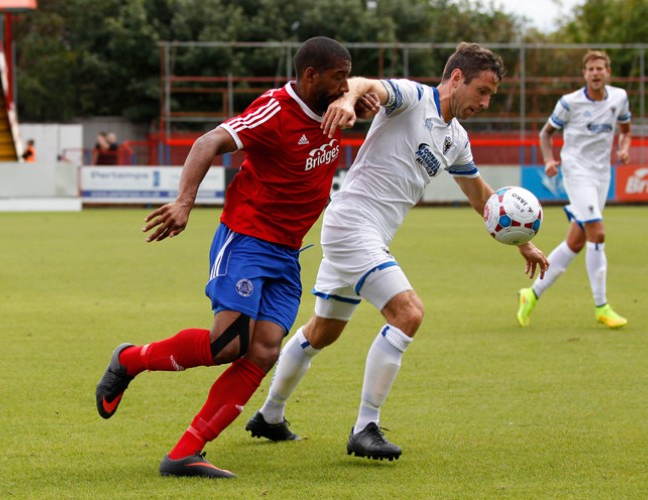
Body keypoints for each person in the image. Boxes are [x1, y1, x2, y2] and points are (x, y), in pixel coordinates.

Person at [245, 42, 549, 460]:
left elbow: (481, 196)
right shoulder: (414, 97)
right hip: (353, 224)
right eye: (483, 90)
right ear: (457, 78)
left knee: (322, 332)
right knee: (409, 313)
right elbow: (368, 85)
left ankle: (269, 415)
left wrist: (524, 242)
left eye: (491, 96)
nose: (485, 102)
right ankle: (365, 426)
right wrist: (349, 99)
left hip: (367, 234)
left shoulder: (457, 138)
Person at [95, 36, 377, 478]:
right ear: (310, 76)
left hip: (287, 251)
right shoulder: (274, 111)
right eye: (338, 77)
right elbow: (207, 142)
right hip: (247, 238)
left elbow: (369, 89)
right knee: (226, 344)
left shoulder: (334, 105)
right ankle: (130, 359)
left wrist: (355, 95)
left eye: (348, 76)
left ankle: (185, 453)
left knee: (263, 350)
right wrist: (185, 203)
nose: (345, 85)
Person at [517, 50, 631, 329]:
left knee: (576, 242)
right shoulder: (569, 102)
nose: (595, 72)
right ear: (584, 74)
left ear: (608, 72)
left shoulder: (619, 98)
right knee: (598, 232)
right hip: (576, 171)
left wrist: (624, 148)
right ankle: (602, 306)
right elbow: (546, 133)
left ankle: (530, 294)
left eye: (600, 68)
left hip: (602, 175)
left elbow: (626, 129)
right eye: (590, 68)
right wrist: (548, 160)